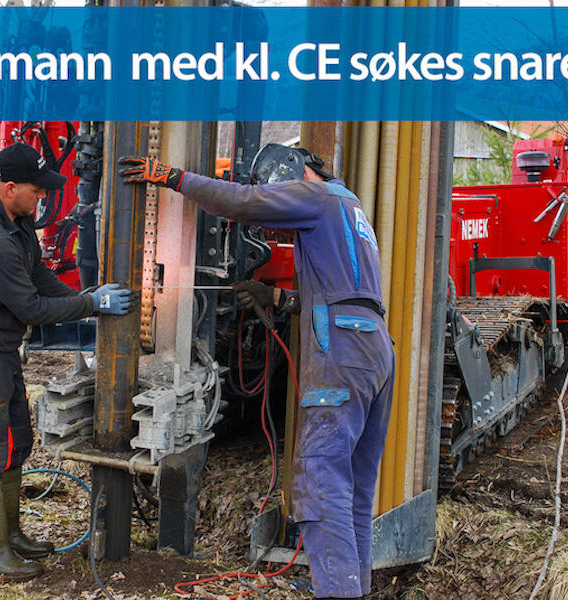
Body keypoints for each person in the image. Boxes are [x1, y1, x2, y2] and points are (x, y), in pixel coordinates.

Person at [119, 145, 395, 599]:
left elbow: (243, 203)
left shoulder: (315, 195)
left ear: (292, 174)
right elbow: (344, 291)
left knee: (321, 482)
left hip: (342, 352)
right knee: (354, 490)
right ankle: (350, 588)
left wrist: (172, 177)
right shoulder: (349, 207)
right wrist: (278, 299)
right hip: (375, 347)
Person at [0, 142, 135, 582]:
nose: (43, 195)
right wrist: (91, 305)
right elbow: (31, 308)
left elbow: (38, 275)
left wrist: (85, 297)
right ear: (10, 187)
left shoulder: (17, 220)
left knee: (13, 443)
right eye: (37, 189)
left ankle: (10, 536)